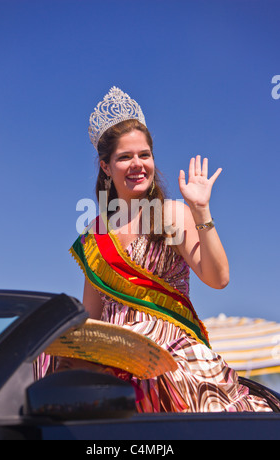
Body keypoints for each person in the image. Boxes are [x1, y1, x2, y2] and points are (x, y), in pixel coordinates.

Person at [65, 87, 278, 412]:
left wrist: (202, 211)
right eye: (125, 157)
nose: (137, 164)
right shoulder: (95, 236)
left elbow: (218, 278)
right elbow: (91, 318)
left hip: (171, 355)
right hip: (113, 356)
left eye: (144, 154)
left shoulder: (172, 214)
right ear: (106, 167)